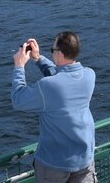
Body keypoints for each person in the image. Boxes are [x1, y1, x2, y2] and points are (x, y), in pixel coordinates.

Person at [11, 32, 97, 183]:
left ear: (60, 54)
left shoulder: (48, 86)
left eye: (53, 50)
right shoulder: (89, 75)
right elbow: (62, 76)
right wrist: (38, 58)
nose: (52, 53)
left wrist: (19, 67)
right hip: (84, 160)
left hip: (54, 164)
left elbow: (18, 100)